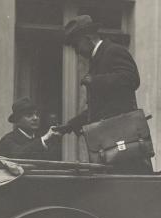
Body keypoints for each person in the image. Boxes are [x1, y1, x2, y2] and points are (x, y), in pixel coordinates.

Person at [62, 15, 151, 173]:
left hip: (123, 143)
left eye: (77, 46)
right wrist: (70, 125)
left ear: (88, 38)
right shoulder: (97, 60)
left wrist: (95, 80)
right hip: (110, 145)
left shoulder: (113, 51)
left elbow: (132, 79)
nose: (77, 52)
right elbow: (99, 107)